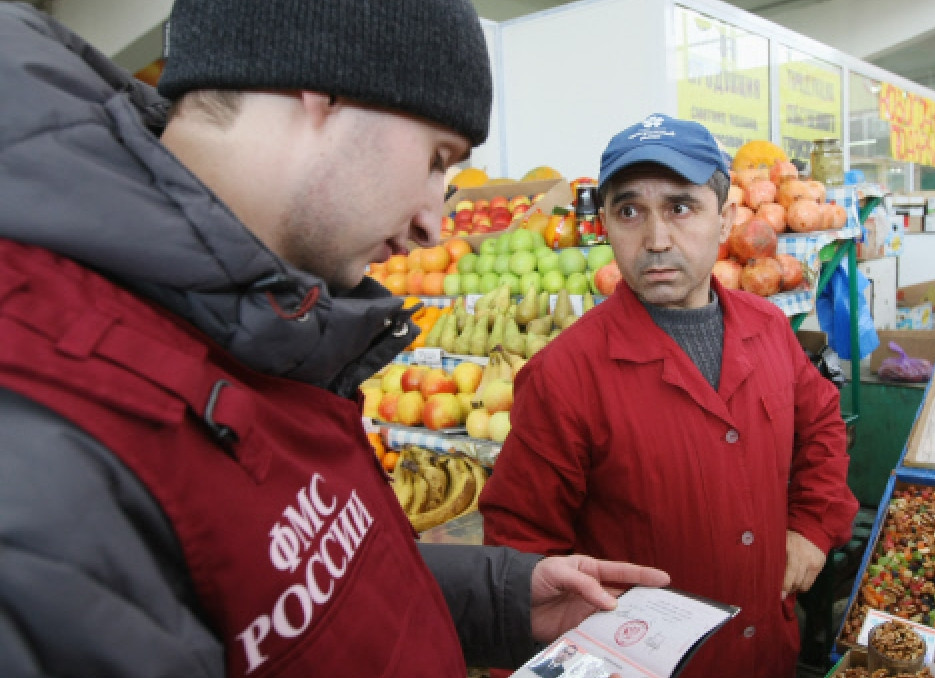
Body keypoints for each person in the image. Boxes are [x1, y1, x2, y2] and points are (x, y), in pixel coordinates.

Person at [0, 2, 669, 676]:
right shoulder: (47, 462)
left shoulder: (265, 321)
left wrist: (504, 600)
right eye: (437, 159)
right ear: (324, 88)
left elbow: (292, 588)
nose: (435, 225)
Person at [479, 114, 859, 678]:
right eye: (630, 211)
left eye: (681, 207)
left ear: (725, 217)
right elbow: (522, 555)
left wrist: (811, 527)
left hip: (765, 653)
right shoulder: (564, 376)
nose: (656, 240)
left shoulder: (769, 328)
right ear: (604, 223)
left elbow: (821, 422)